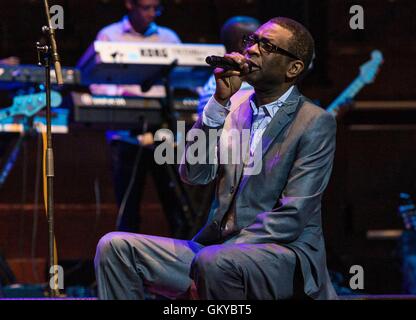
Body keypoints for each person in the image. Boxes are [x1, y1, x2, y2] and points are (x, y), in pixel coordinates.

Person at [95, 17, 338, 300]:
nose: (252, 50)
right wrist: (218, 104)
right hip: (215, 253)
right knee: (115, 247)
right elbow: (193, 174)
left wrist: (227, 249)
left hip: (282, 255)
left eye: (267, 45)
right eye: (252, 41)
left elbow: (293, 216)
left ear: (293, 68)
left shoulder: (314, 122)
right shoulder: (232, 108)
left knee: (214, 263)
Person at [91, 0, 188, 237]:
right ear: (129, 5)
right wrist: (124, 104)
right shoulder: (109, 35)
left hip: (164, 130)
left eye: (157, 8)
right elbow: (98, 82)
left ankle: (186, 265)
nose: (152, 14)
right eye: (146, 7)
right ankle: (126, 267)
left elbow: (184, 80)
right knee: (128, 207)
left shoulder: (169, 37)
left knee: (175, 203)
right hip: (125, 133)